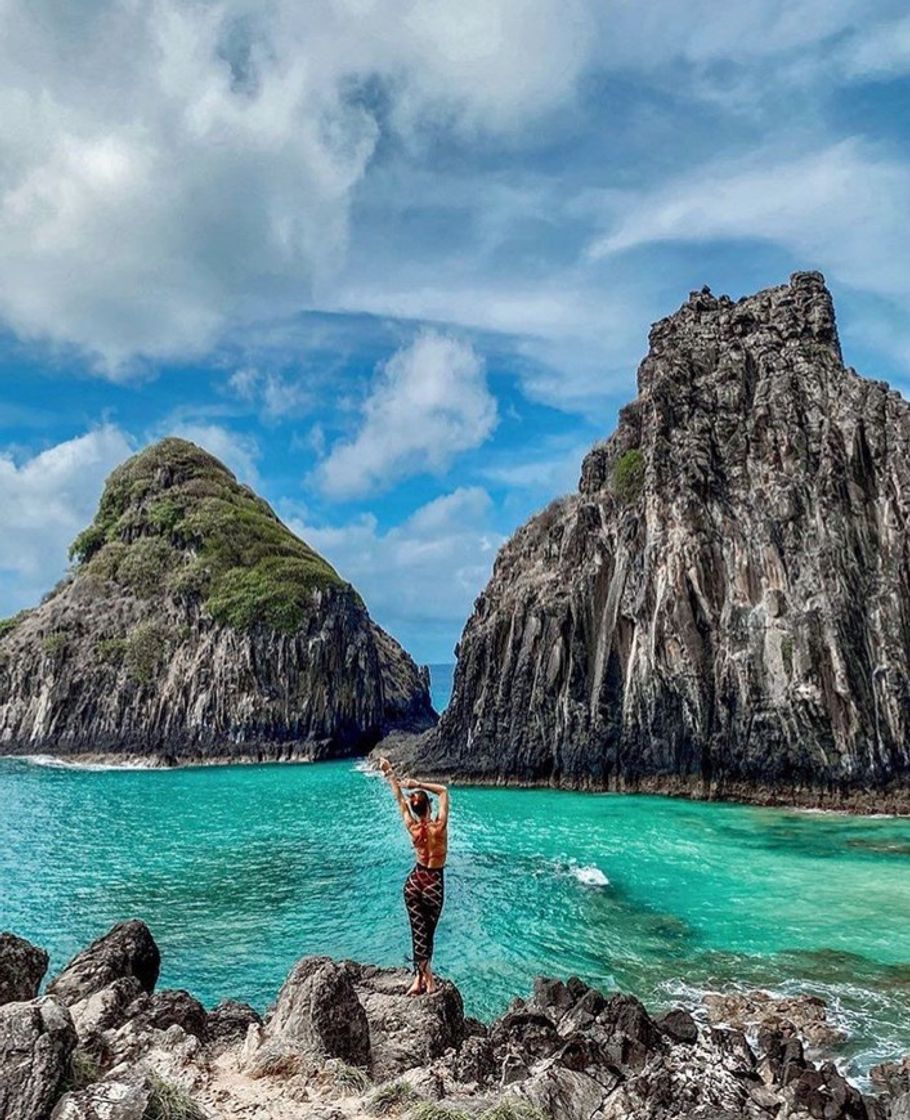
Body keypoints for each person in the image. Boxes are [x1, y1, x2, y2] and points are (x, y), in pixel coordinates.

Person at [377, 755, 449, 995]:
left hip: (414, 882)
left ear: (417, 809)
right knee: (427, 933)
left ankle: (419, 980)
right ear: (428, 807)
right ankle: (427, 980)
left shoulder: (413, 826)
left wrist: (390, 773)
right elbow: (443, 792)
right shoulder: (439, 826)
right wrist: (419, 784)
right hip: (433, 883)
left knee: (418, 930)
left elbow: (398, 798)